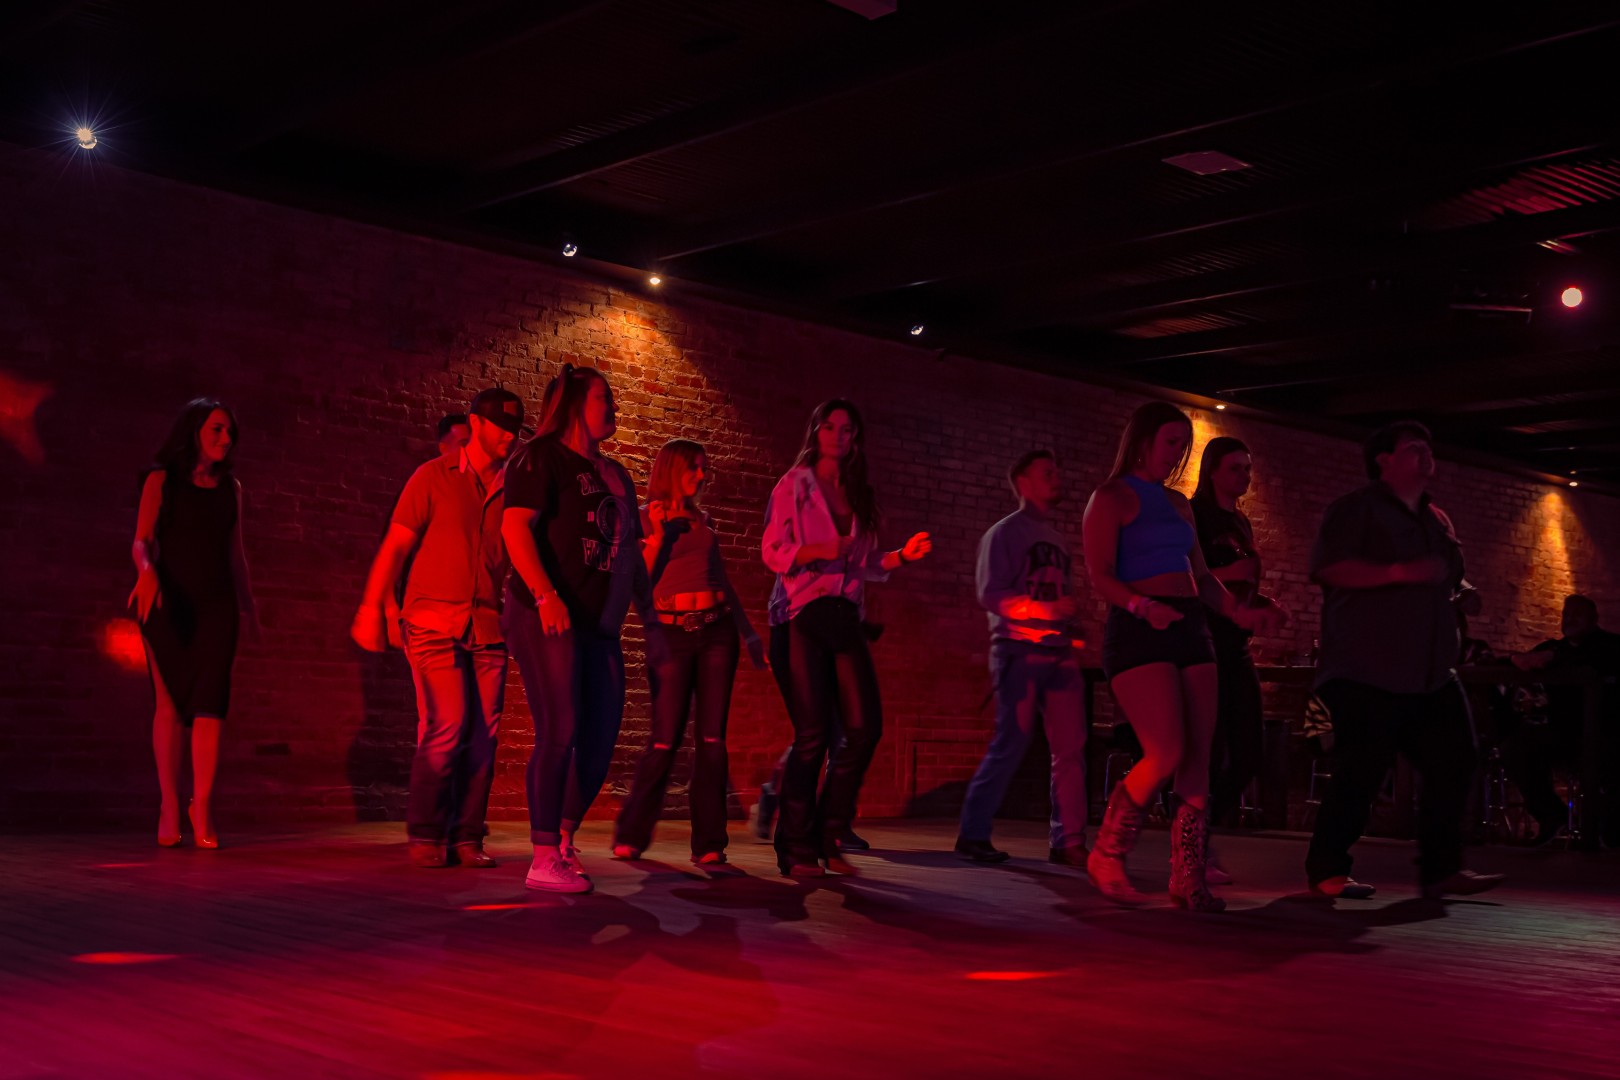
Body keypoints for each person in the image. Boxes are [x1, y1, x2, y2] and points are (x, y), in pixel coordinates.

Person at [1081, 402, 1284, 912]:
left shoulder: (1177, 504)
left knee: (1199, 755)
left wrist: (1240, 612)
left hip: (1191, 624)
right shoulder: (1111, 496)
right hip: (1138, 627)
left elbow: (1202, 575)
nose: (1177, 454)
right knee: (1166, 750)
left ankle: (1188, 875)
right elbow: (1100, 573)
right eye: (1171, 442)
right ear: (1143, 440)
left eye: (1183, 446)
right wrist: (1140, 605)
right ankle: (1108, 851)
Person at [1304, 421, 1505, 899]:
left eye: (1428, 448)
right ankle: (1327, 870)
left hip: (1431, 672)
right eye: (1414, 448)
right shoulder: (1355, 509)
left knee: (1456, 760)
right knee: (1362, 770)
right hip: (1366, 667)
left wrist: (1464, 592)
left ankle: (1440, 868)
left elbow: (1448, 577)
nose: (1427, 455)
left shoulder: (1437, 520)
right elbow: (1330, 567)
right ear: (1384, 460)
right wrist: (1399, 571)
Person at [502, 365, 664, 893]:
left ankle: (564, 839)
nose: (613, 407)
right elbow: (514, 527)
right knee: (561, 728)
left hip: (599, 624)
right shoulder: (540, 457)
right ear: (575, 402)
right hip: (545, 611)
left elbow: (629, 555)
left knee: (599, 738)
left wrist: (651, 619)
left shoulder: (616, 474)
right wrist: (545, 595)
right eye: (604, 397)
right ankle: (542, 856)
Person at [351, 389, 522, 868]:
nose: (509, 436)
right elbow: (395, 546)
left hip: (486, 625)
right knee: (447, 724)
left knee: (484, 735)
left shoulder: (514, 489)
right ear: (476, 424)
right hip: (431, 620)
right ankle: (426, 833)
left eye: (515, 429)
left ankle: (467, 837)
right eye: (500, 426)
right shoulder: (432, 477)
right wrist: (372, 606)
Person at [762, 399, 931, 877]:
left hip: (844, 614)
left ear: (856, 438)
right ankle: (795, 847)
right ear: (816, 432)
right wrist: (818, 548)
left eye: (847, 429)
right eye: (830, 427)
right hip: (799, 613)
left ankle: (829, 833)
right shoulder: (794, 485)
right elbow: (772, 551)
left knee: (864, 728)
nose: (838, 435)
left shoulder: (857, 492)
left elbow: (865, 564)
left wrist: (902, 556)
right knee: (812, 735)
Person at [613, 439, 766, 867]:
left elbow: (721, 580)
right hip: (672, 634)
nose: (701, 476)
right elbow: (638, 583)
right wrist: (661, 538)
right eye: (693, 468)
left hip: (718, 631)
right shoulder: (645, 518)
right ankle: (632, 833)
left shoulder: (704, 520)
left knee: (713, 740)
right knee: (665, 738)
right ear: (671, 469)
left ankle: (709, 843)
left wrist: (749, 633)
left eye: (704, 468)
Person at [129, 398, 261, 849]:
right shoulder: (161, 480)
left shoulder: (230, 489)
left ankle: (200, 806)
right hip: (167, 601)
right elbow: (141, 541)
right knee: (168, 705)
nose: (227, 438)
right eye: (217, 429)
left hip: (217, 606)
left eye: (230, 431)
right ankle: (169, 805)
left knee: (211, 706)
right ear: (194, 431)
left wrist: (249, 605)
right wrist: (146, 572)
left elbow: (236, 554)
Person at [955, 450, 1089, 866]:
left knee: (1070, 748)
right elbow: (990, 594)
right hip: (1018, 649)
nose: (1056, 478)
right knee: (1010, 742)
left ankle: (1068, 841)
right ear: (1024, 483)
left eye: (1056, 471)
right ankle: (973, 834)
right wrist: (1045, 611)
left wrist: (1072, 628)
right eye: (1047, 473)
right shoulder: (1004, 534)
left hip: (1058, 652)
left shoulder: (1057, 539)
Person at [1190, 436, 1271, 882]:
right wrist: (1230, 573)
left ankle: (1197, 837)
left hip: (1236, 643)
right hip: (1205, 641)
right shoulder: (1196, 515)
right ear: (1213, 472)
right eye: (1235, 468)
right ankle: (1193, 849)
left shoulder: (1240, 521)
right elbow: (1188, 576)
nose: (1245, 476)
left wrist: (1262, 605)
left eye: (1248, 468)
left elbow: (1242, 585)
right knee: (1209, 752)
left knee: (1249, 754)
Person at [1506, 594, 1620, 847]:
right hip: (1564, 733)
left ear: (1593, 618)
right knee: (1517, 747)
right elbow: (1512, 660)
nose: (1570, 620)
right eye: (1566, 615)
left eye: (1577, 614)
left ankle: (1606, 833)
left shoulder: (1612, 646)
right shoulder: (1554, 648)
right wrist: (1516, 659)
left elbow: (1595, 661)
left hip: (1606, 733)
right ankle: (1551, 815)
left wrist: (1552, 659)